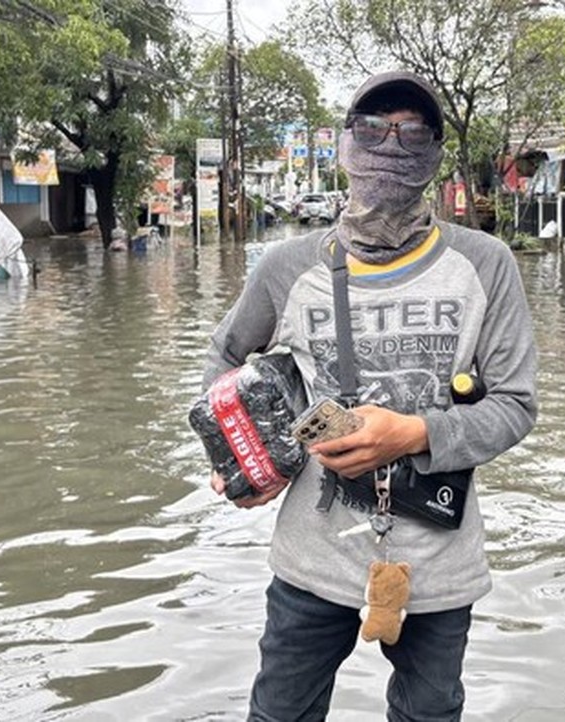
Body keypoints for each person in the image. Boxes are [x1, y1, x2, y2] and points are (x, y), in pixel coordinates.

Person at [202, 70, 538, 721]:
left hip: (438, 563)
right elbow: (224, 356)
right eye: (374, 128)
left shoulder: (486, 264)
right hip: (312, 555)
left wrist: (414, 433)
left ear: (436, 150)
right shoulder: (286, 267)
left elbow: (515, 405)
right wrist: (236, 457)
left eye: (411, 131)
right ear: (345, 144)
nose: (391, 145)